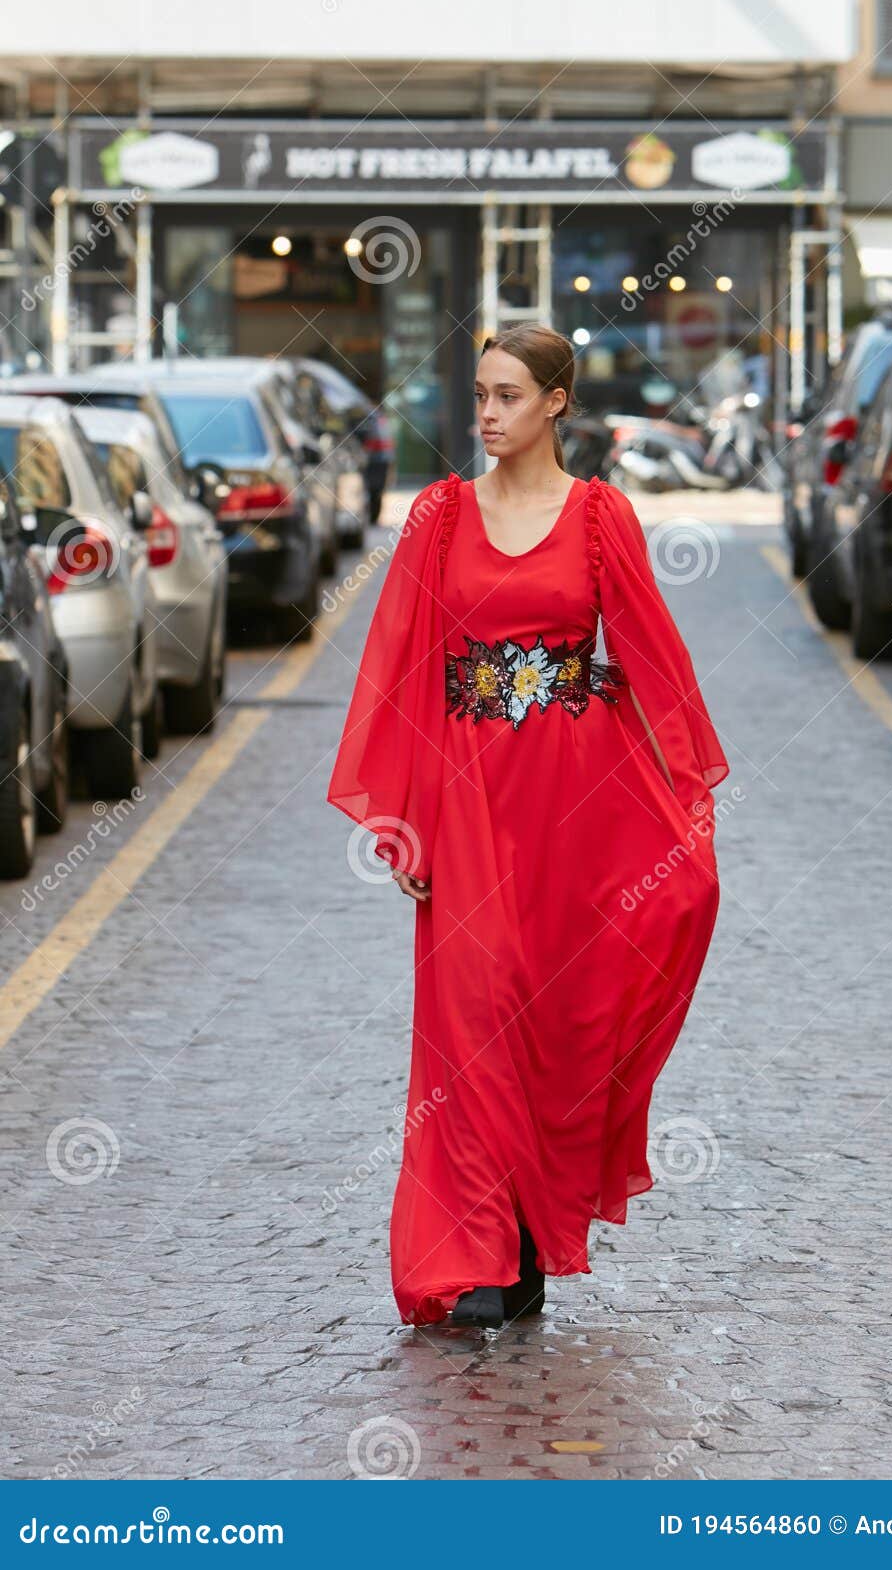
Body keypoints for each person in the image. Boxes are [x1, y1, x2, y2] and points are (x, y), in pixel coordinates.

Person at [327, 323, 729, 1329]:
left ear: (556, 402)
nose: (487, 414)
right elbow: (402, 672)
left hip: (576, 802)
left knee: (558, 1016)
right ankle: (471, 1250)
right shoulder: (437, 515)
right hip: (465, 796)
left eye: (508, 395)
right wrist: (404, 822)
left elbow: (648, 661)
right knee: (470, 1016)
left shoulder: (599, 517)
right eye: (479, 394)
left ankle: (532, 1231)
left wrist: (679, 799)